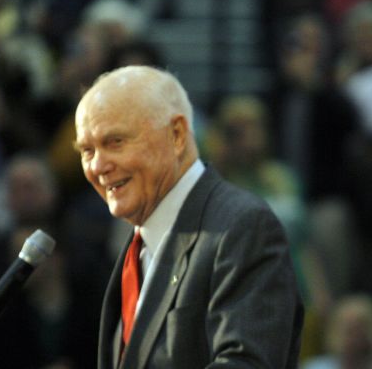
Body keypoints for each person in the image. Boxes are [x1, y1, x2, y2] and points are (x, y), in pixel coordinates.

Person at [73, 66, 303, 368]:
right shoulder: (139, 243)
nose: (98, 166)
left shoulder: (242, 226)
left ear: (177, 134)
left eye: (115, 142)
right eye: (87, 150)